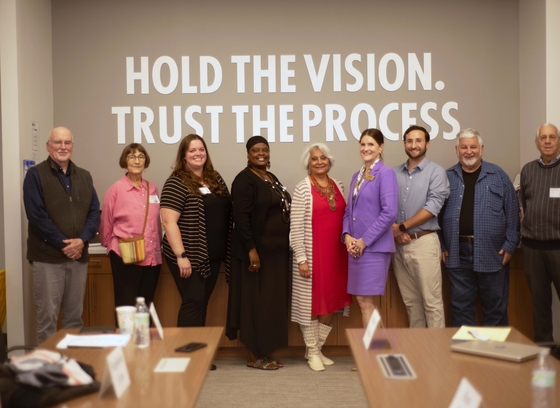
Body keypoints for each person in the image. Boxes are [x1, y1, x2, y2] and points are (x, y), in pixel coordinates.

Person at [23, 126, 100, 344]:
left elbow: (94, 211)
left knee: (74, 319)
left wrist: (82, 240)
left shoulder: (84, 176)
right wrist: (64, 243)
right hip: (48, 258)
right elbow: (36, 215)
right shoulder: (35, 175)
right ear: (48, 146)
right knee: (47, 320)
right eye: (58, 142)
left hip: (78, 258)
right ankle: (47, 373)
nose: (63, 147)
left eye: (67, 143)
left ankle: (70, 370)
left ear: (72, 147)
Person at [439, 128, 519, 327]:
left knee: (495, 307)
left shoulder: (498, 175)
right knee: (460, 307)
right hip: (457, 254)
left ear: (481, 148)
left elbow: (513, 211)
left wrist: (510, 245)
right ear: (457, 150)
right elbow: (436, 216)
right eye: (464, 147)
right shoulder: (446, 177)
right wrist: (442, 245)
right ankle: (466, 355)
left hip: (493, 252)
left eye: (473, 146)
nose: (469, 151)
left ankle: (495, 355)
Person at [226, 136, 291, 370]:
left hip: (275, 255)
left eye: (265, 149)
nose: (261, 153)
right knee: (254, 304)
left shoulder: (270, 178)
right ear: (248, 154)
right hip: (256, 255)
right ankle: (253, 355)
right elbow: (241, 219)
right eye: (255, 150)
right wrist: (252, 249)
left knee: (269, 304)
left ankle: (263, 351)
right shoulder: (244, 180)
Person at [160, 134, 232, 337]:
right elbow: (169, 222)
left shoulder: (214, 178)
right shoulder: (176, 182)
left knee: (201, 303)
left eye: (201, 149)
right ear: (184, 155)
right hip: (190, 256)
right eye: (192, 150)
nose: (197, 153)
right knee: (193, 302)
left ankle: (198, 353)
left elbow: (227, 207)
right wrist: (181, 256)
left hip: (212, 256)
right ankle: (186, 354)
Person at [290, 143, 352, 371]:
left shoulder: (339, 185)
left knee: (331, 304)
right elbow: (295, 228)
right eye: (314, 158)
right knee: (312, 305)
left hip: (336, 256)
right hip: (314, 256)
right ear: (309, 163)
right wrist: (301, 259)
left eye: (323, 158)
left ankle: (316, 349)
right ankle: (312, 352)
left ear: (329, 161)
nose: (319, 162)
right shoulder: (302, 188)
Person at [392, 125, 449, 328]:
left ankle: (436, 357)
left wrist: (401, 228)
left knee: (432, 304)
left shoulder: (436, 172)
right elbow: (384, 205)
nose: (413, 145)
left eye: (418, 140)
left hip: (424, 243)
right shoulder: (393, 173)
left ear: (427, 144)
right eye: (409, 140)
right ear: (405, 143)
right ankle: (418, 353)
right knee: (411, 303)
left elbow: (432, 207)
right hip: (398, 246)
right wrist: (394, 230)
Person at [342, 129, 398, 329]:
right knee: (363, 301)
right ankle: (376, 353)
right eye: (363, 144)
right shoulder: (357, 176)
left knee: (366, 301)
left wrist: (364, 241)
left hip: (373, 248)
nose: (366, 148)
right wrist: (347, 236)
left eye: (371, 144)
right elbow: (349, 211)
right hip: (355, 249)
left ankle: (374, 355)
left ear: (381, 147)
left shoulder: (385, 173)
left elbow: (389, 212)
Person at [99, 143, 162, 312]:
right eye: (132, 156)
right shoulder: (116, 190)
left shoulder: (153, 188)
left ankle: (144, 338)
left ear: (146, 161)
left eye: (141, 156)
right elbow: (106, 223)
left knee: (146, 305)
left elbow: (156, 221)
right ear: (124, 161)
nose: (137, 160)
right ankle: (126, 339)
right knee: (127, 305)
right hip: (125, 254)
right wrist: (109, 245)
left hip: (151, 256)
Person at [520, 123, 560, 342]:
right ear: (537, 142)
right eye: (543, 137)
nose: (547, 141)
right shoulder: (527, 170)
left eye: (552, 137)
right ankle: (545, 350)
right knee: (539, 303)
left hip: (558, 248)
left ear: (558, 141)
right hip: (532, 248)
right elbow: (525, 205)